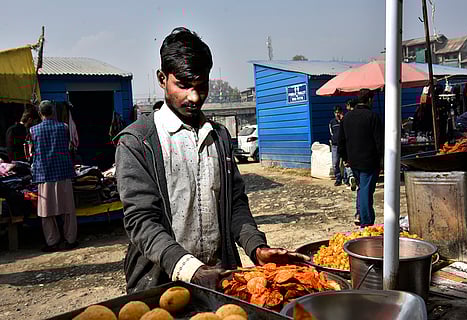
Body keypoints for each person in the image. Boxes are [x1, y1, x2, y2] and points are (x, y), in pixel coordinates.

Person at [115, 27, 304, 293]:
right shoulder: (138, 142)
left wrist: (255, 246)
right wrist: (190, 269)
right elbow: (141, 221)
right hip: (161, 285)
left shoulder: (220, 137)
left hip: (219, 278)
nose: (194, 97)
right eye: (183, 85)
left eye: (200, 86)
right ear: (162, 79)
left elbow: (235, 204)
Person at [30, 100, 78, 252]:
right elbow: (72, 146)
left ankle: (52, 242)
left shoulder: (33, 130)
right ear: (53, 112)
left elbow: (31, 152)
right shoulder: (63, 127)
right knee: (68, 210)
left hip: (44, 175)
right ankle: (70, 240)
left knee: (46, 212)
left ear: (40, 113)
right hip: (63, 173)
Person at [338, 89, 383, 227]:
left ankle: (359, 214)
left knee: (362, 188)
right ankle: (366, 221)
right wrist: (382, 160)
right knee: (366, 191)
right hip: (369, 161)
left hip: (353, 161)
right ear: (369, 100)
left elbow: (341, 141)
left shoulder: (347, 118)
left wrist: (345, 158)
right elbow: (379, 141)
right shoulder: (372, 116)